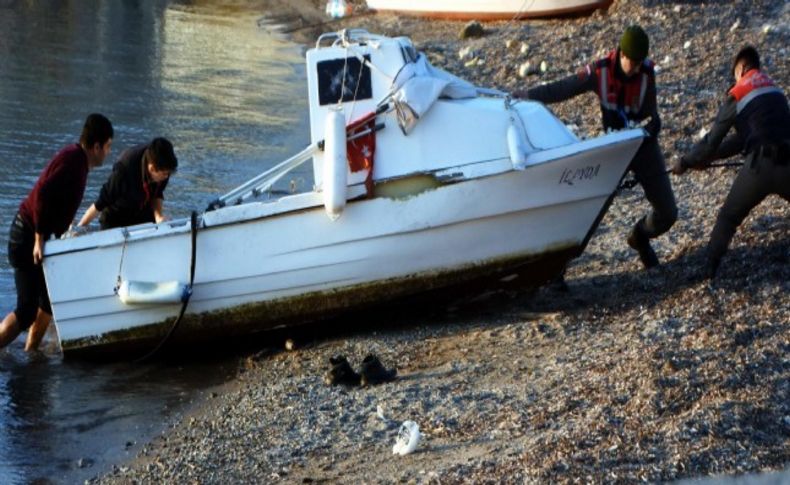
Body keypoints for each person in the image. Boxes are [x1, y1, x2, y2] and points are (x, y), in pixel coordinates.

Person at [513, 25, 677, 269]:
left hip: (643, 146)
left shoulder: (647, 74)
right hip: (613, 148)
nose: (634, 68)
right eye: (631, 61)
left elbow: (654, 117)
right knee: (588, 212)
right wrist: (526, 94)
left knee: (668, 212)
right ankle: (558, 269)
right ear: (620, 54)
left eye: (638, 62)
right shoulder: (599, 71)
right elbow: (564, 88)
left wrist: (651, 127)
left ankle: (640, 237)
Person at [671, 46, 789, 278]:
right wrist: (708, 158)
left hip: (758, 168)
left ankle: (709, 269)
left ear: (742, 68)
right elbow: (742, 139)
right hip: (787, 163)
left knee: (728, 217)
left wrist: (686, 162)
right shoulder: (775, 91)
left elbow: (712, 140)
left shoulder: (738, 92)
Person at [0, 113, 114, 352]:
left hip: (36, 237)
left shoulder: (78, 163)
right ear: (96, 146)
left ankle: (30, 353)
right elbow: (42, 192)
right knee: (26, 310)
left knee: (48, 302)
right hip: (26, 236)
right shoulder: (72, 160)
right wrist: (39, 238)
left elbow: (57, 200)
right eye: (108, 146)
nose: (108, 152)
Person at [78, 137, 177, 230]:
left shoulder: (164, 166)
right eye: (165, 174)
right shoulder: (124, 171)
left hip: (141, 211)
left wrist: (159, 217)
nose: (167, 177)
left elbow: (157, 193)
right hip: (116, 216)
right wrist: (80, 227)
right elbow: (100, 204)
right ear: (152, 168)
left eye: (169, 173)